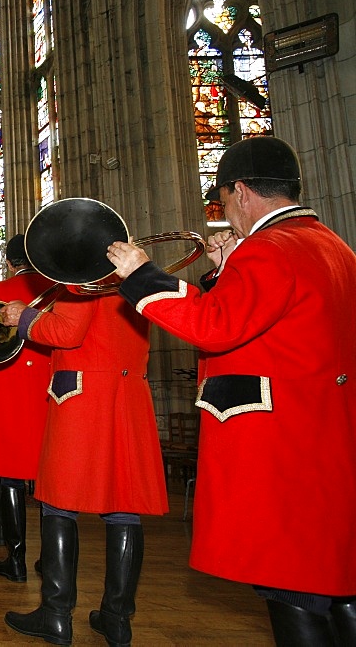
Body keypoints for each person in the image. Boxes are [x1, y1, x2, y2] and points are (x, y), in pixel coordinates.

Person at [105, 136, 356, 645]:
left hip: (282, 448)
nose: (225, 218)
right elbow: (275, 327)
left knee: (294, 589)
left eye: (222, 202)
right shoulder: (333, 245)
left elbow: (216, 327)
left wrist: (141, 275)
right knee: (337, 583)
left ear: (241, 191)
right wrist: (225, 272)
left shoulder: (271, 248)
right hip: (326, 439)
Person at [0, 287, 168, 646]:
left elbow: (67, 333)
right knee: (124, 507)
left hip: (82, 392)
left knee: (59, 500)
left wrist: (23, 317)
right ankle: (117, 618)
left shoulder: (82, 276)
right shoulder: (132, 272)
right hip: (126, 394)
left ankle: (56, 615)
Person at [0, 235, 53, 583]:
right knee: (48, 476)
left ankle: (16, 558)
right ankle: (52, 559)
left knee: (9, 475)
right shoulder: (55, 286)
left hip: (7, 385)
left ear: (8, 262)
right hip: (47, 386)